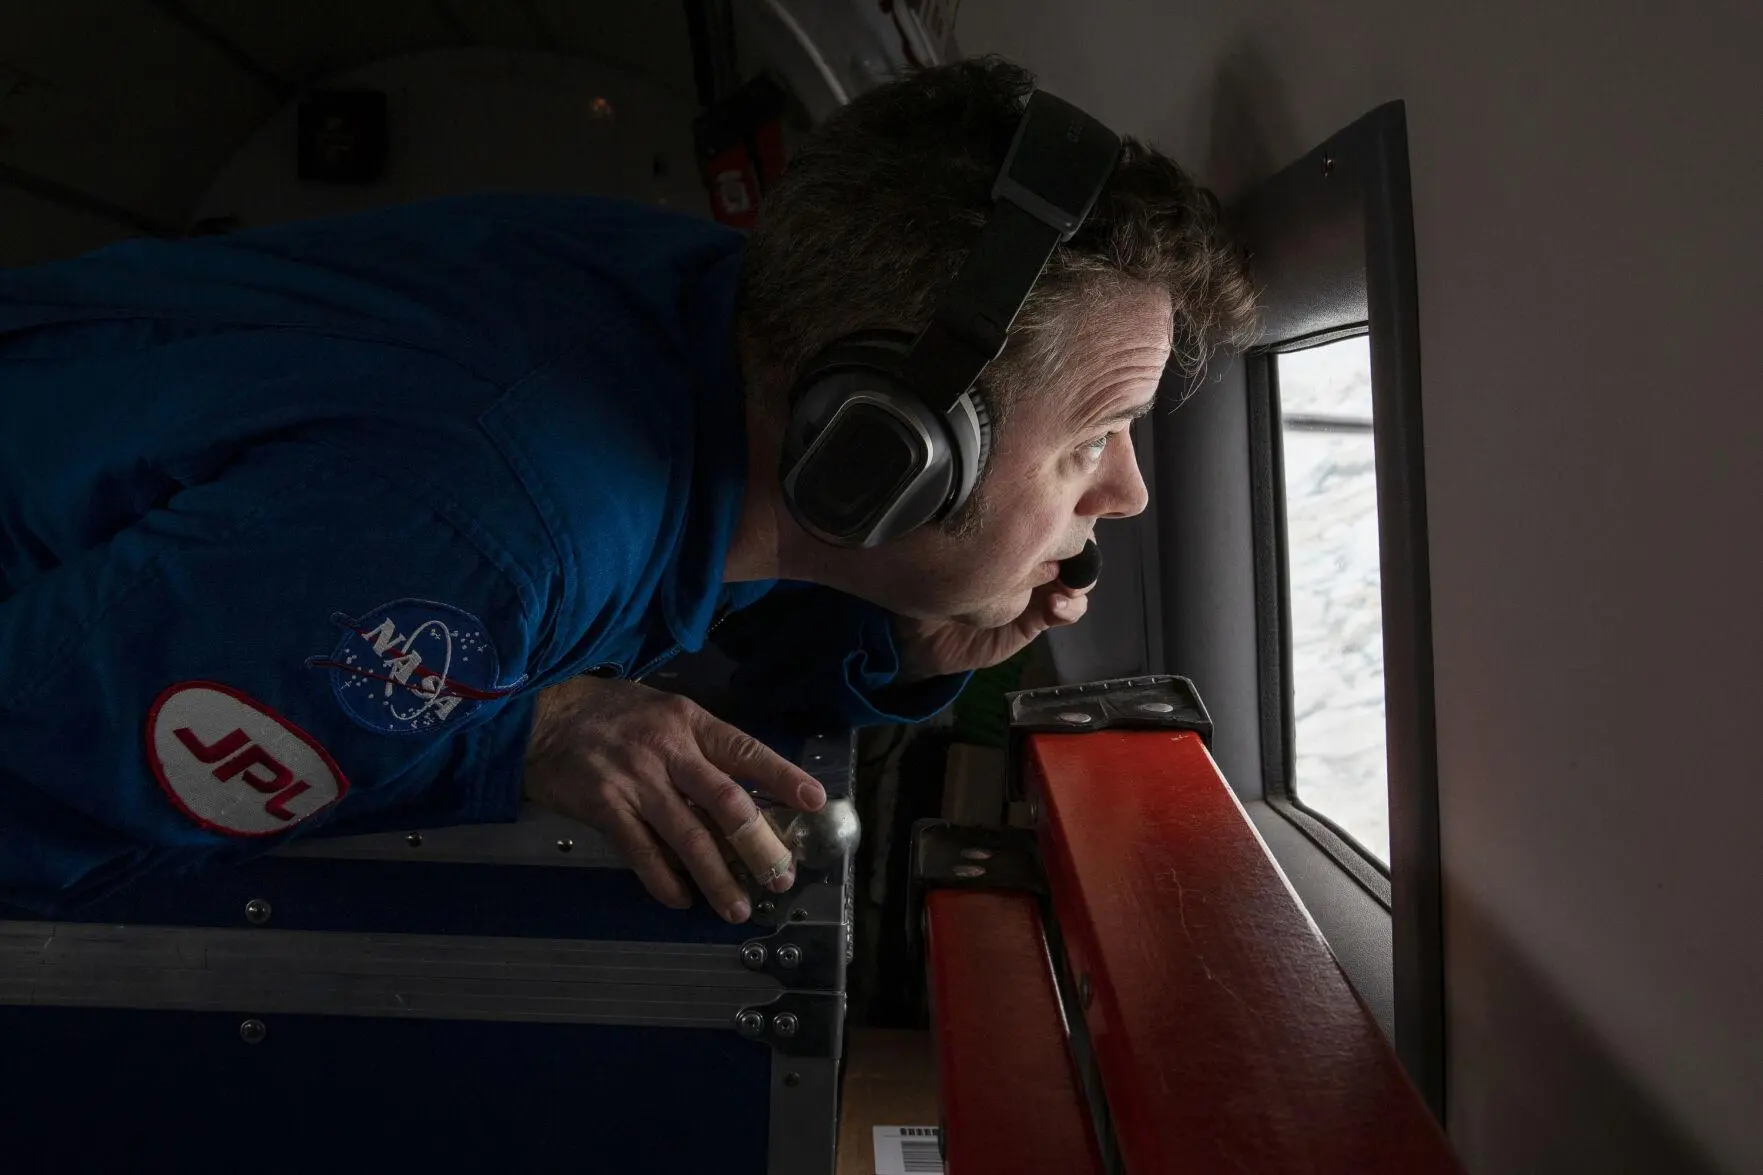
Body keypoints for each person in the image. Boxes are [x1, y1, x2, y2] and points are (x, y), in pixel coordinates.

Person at [0, 57, 1255, 922]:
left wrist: (903, 645)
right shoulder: (494, 535)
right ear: (883, 447)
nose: (1128, 492)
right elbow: (43, 796)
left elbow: (726, 571)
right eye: (1094, 435)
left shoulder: (727, 325)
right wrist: (507, 729)